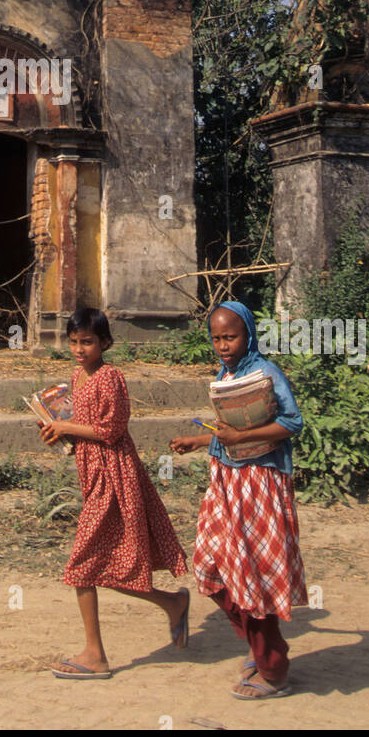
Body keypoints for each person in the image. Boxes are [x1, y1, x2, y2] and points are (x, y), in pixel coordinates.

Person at [39, 306, 189, 679]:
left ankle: (95, 655)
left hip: (115, 475)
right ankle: (172, 603)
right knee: (103, 563)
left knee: (82, 566)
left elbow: (110, 429)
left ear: (105, 342)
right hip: (92, 475)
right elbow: (82, 429)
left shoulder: (111, 377)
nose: (79, 349)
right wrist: (57, 432)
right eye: (73, 342)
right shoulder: (77, 377)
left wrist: (66, 425)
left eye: (87, 342)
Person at [170, 300, 308, 700]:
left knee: (253, 575)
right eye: (216, 338)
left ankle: (273, 669)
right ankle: (264, 650)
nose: (223, 345)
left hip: (260, 484)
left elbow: (292, 422)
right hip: (226, 482)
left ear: (248, 334)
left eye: (230, 336)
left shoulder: (266, 372)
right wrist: (200, 440)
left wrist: (241, 438)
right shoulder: (226, 373)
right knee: (210, 568)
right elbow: (230, 429)